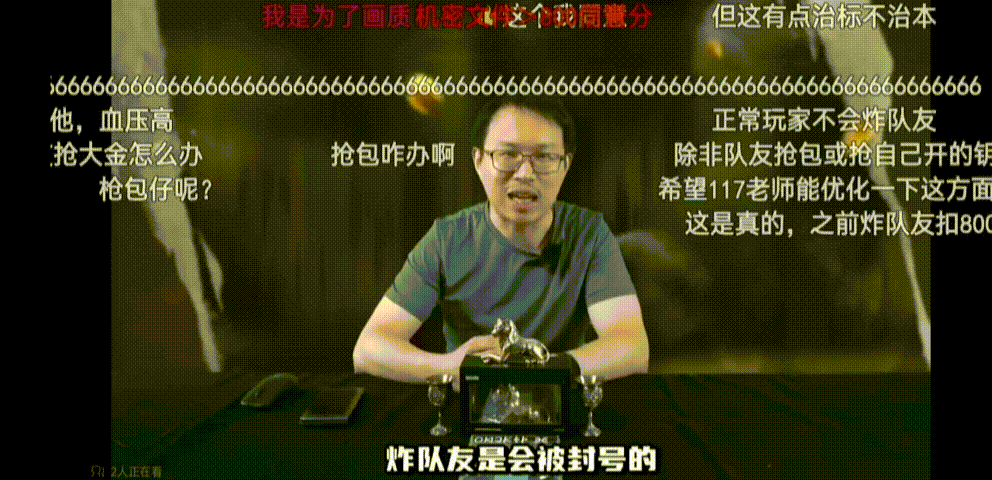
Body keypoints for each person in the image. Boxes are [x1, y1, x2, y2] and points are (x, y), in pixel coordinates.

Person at [353, 96, 649, 387]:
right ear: (479, 160)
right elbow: (369, 349)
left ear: (566, 165)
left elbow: (631, 347)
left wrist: (537, 371)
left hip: (561, 399)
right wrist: (452, 367)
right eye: (508, 155)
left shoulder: (589, 235)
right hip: (468, 400)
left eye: (544, 157)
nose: (525, 174)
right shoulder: (447, 240)